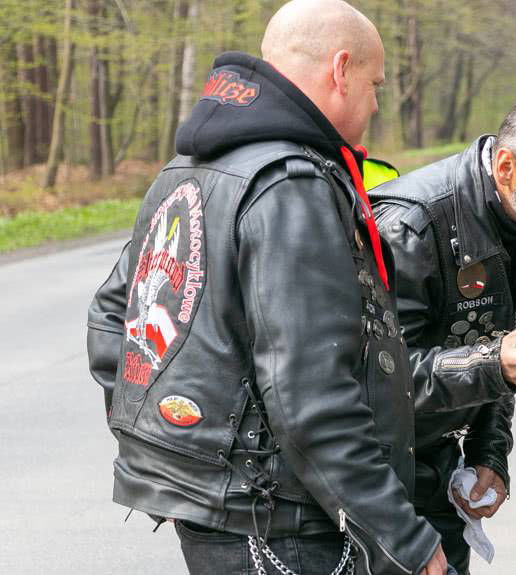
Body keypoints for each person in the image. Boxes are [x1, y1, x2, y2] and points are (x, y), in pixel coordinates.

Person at [85, 1, 448, 573]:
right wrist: (401, 535)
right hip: (284, 523)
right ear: (340, 69)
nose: (377, 102)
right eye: (374, 84)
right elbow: (309, 391)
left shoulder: (184, 169)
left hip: (216, 512)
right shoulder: (289, 184)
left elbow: (113, 318)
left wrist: (173, 441)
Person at [369, 87, 516, 574]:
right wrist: (493, 363)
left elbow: (505, 340)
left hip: (436, 465)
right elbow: (374, 380)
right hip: (369, 481)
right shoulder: (411, 224)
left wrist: (487, 455)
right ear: (505, 169)